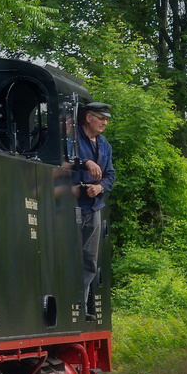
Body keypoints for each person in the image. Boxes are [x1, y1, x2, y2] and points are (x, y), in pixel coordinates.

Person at [67, 101, 115, 319]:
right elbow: (63, 159)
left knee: (89, 259)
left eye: (106, 119)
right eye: (101, 118)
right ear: (88, 118)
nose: (104, 122)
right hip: (69, 205)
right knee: (69, 255)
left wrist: (100, 187)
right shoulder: (71, 137)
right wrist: (86, 161)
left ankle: (83, 306)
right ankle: (69, 304)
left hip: (93, 206)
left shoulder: (105, 145)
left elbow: (111, 176)